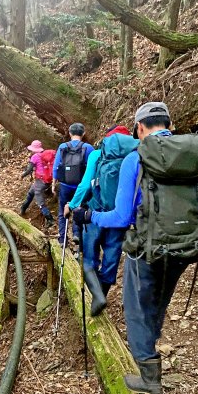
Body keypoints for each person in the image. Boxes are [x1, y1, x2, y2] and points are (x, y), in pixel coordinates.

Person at [73, 102, 198, 394]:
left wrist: (88, 216)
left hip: (147, 248)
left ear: (140, 128)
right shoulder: (191, 156)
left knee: (135, 307)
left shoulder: (136, 159)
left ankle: (150, 377)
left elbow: (121, 218)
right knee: (158, 298)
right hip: (188, 247)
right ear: (169, 123)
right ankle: (151, 352)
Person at [64, 125, 140, 316]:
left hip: (94, 214)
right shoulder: (134, 157)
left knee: (89, 259)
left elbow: (85, 184)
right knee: (111, 260)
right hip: (118, 219)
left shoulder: (98, 155)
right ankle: (100, 299)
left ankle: (97, 297)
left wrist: (72, 205)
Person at [52, 123, 94, 245]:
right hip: (81, 187)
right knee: (78, 209)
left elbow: (56, 166)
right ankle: (76, 234)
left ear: (70, 133)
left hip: (65, 185)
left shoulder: (62, 146)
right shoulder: (88, 148)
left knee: (62, 212)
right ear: (83, 133)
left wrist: (54, 183)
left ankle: (62, 239)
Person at [20, 140, 55, 228]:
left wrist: (22, 176)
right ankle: (23, 209)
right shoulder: (46, 155)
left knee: (40, 202)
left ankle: (50, 219)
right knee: (31, 193)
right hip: (47, 180)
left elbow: (29, 170)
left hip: (41, 181)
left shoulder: (35, 156)